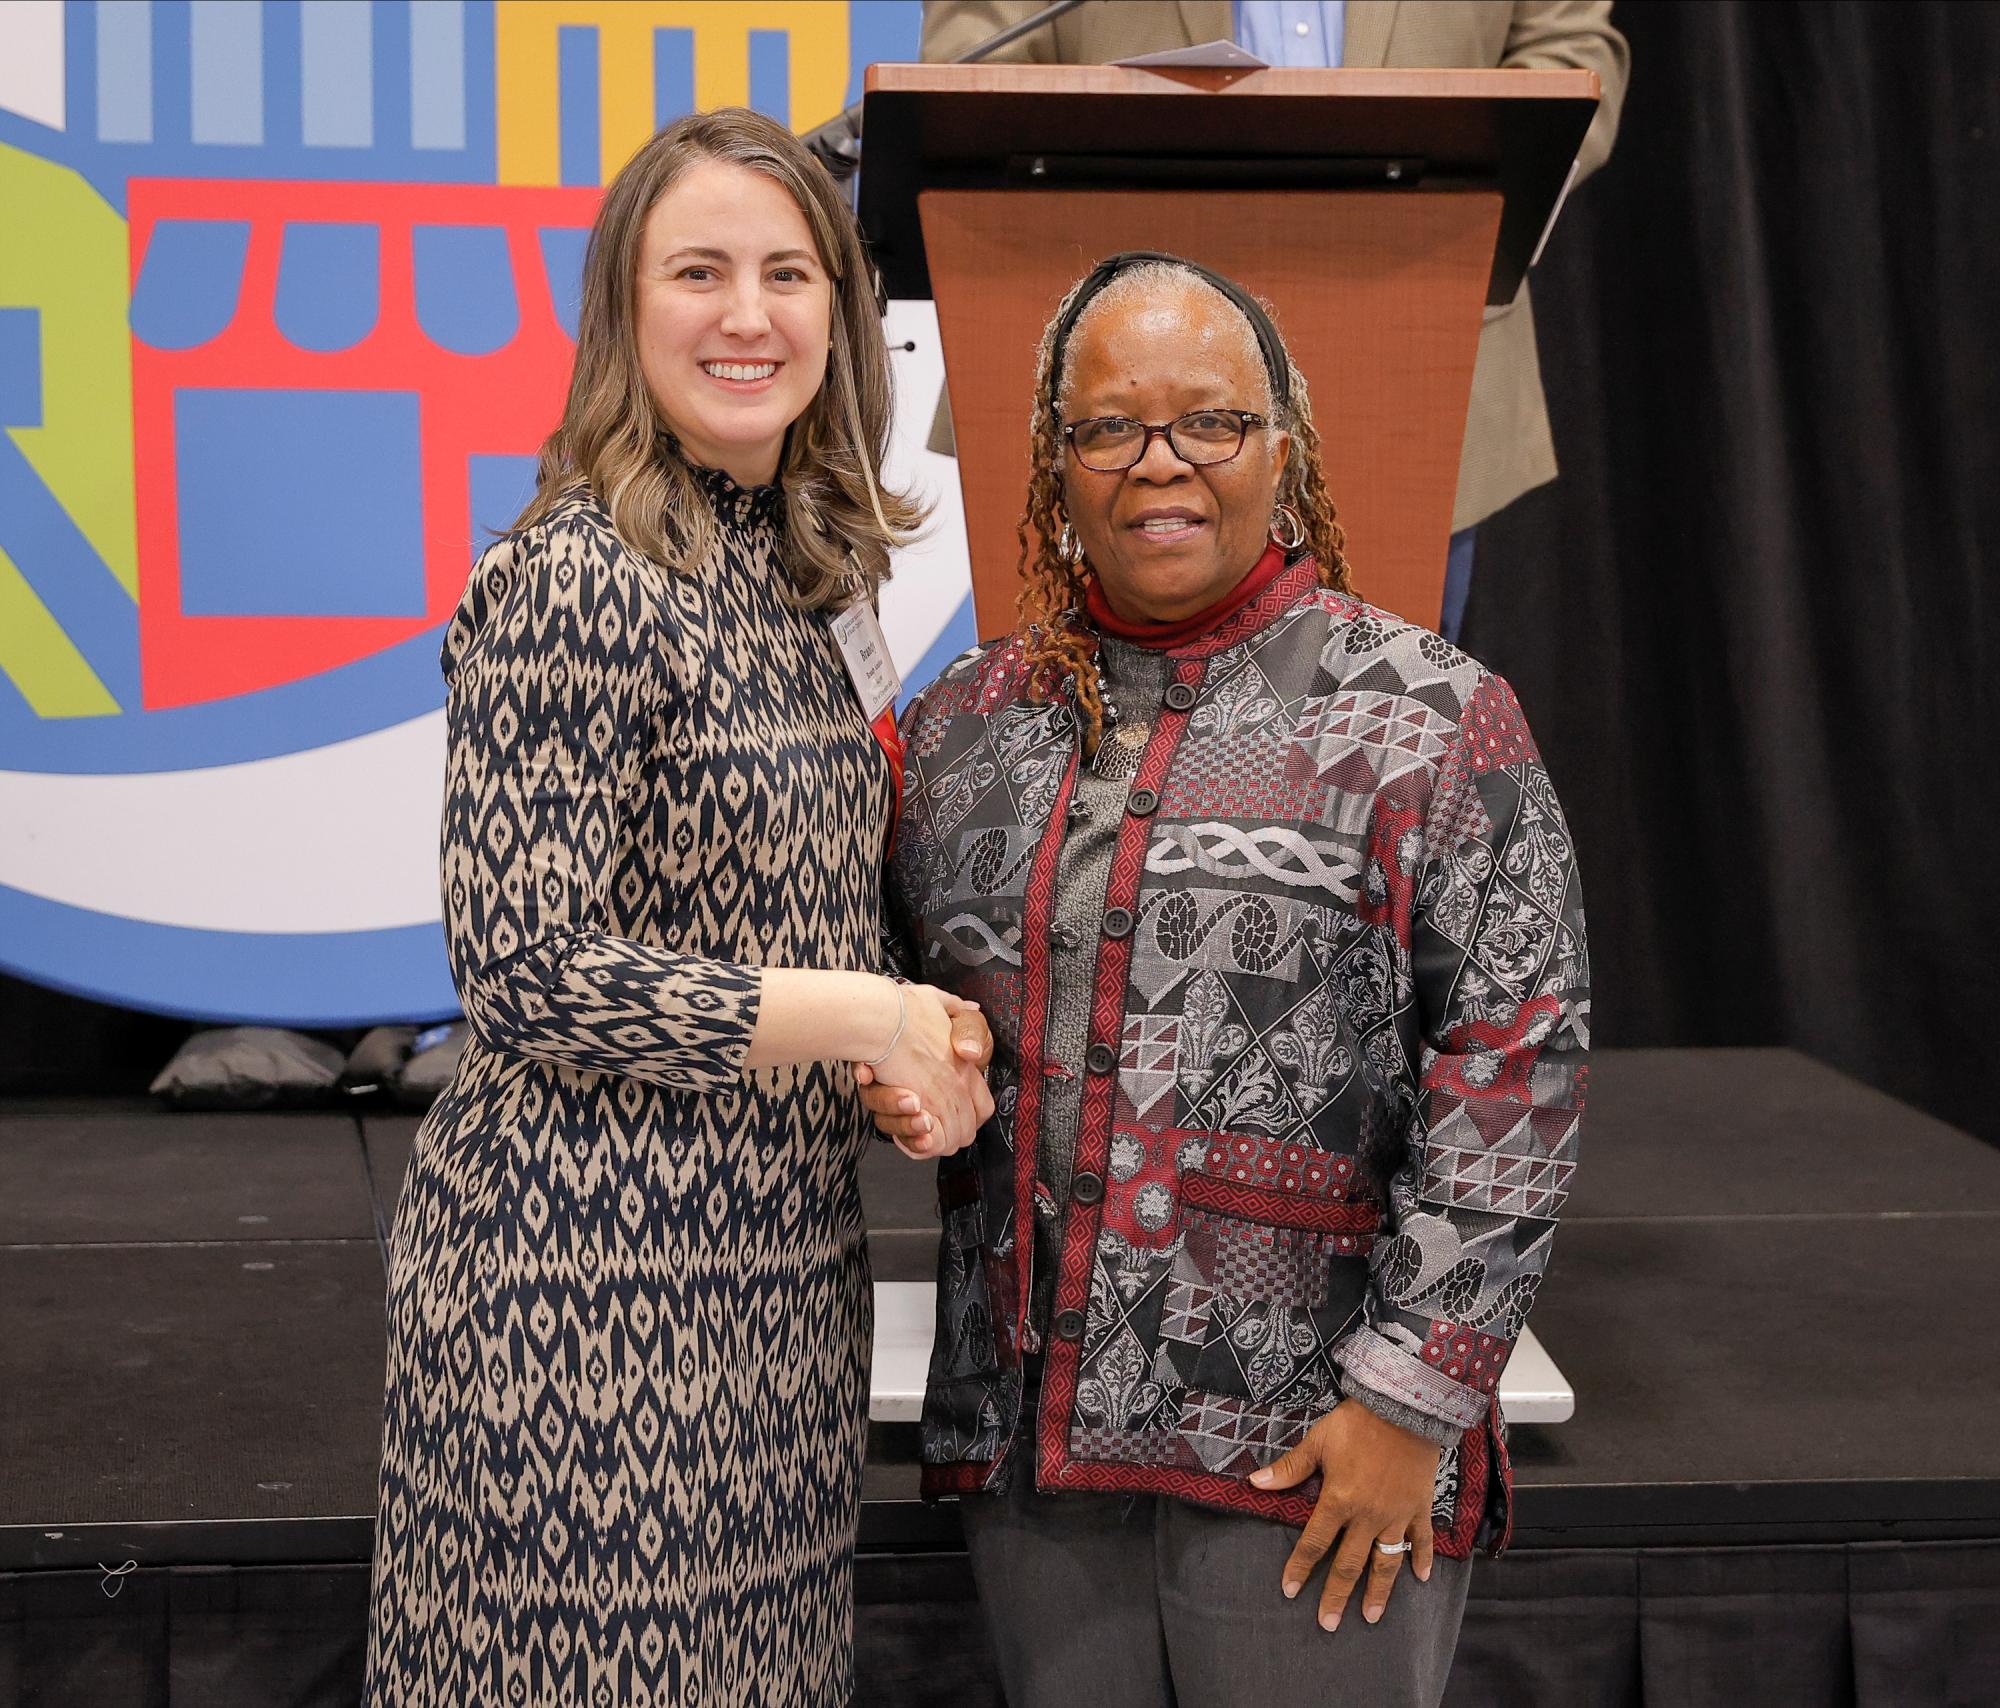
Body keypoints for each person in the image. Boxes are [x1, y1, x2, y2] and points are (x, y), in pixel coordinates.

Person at [858, 252, 1588, 1707]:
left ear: (1286, 448)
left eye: (1211, 421)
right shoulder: (959, 732)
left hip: (1319, 1463)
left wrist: (1411, 1399)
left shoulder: (1429, 718)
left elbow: (1519, 1068)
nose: (1159, 463)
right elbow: (885, 998)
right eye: (1108, 427)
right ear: (1053, 468)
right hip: (1038, 1466)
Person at [363, 108, 992, 1708]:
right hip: (573, 1299)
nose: (748, 313)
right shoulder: (576, 574)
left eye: (790, 273)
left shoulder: (813, 570)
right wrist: (861, 1013)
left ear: (841, 318)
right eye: (698, 270)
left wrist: (909, 1051)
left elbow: (804, 902)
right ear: (622, 311)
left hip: (776, 1290)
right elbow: (524, 968)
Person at [919, 0, 1631, 640]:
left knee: (1389, 748)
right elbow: (970, 67)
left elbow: (1572, 56)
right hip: (1115, 387)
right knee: (1084, 736)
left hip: (1416, 357)